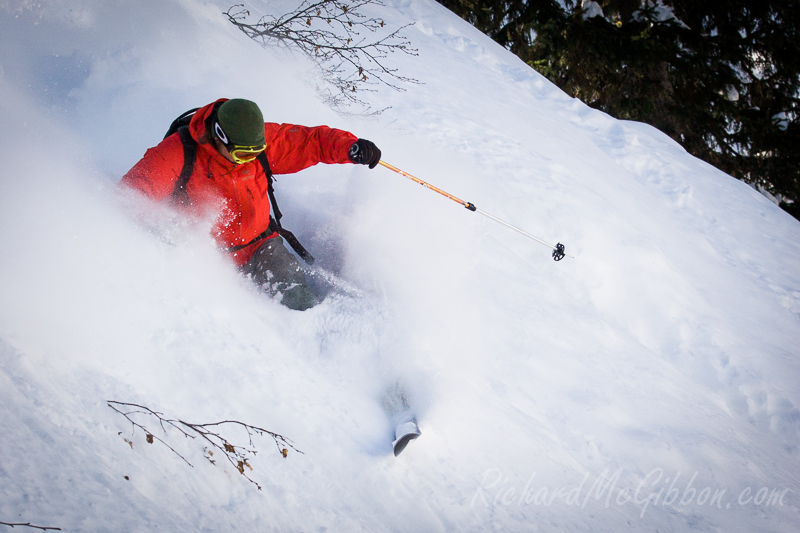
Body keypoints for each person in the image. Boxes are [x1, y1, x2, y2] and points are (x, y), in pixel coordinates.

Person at [120, 98, 381, 310]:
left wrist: (350, 147)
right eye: (242, 155)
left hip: (262, 245)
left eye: (256, 154)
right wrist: (164, 236)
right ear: (219, 136)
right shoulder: (176, 153)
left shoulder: (255, 142)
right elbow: (130, 199)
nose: (248, 161)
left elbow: (308, 142)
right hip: (211, 261)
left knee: (299, 303)